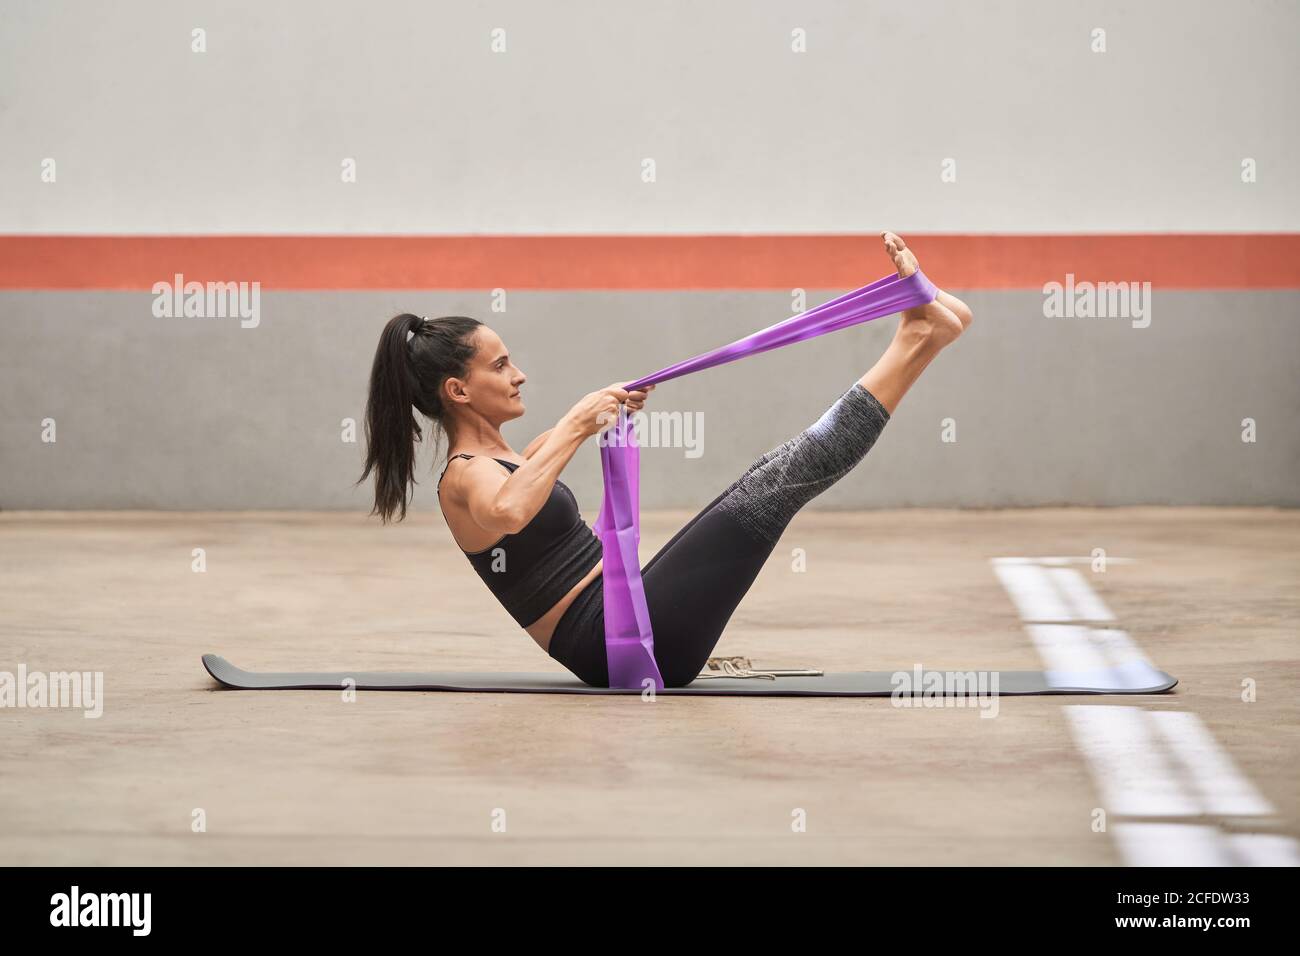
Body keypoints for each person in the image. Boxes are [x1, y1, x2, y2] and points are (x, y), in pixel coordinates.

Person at [359, 232, 973, 686]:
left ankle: (924, 340)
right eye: (500, 366)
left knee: (767, 480)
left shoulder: (508, 458)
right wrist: (578, 420)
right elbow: (511, 511)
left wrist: (601, 409)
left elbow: (543, 459)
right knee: (774, 487)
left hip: (628, 621)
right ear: (458, 391)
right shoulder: (464, 477)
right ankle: (914, 339)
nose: (518, 375)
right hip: (618, 646)